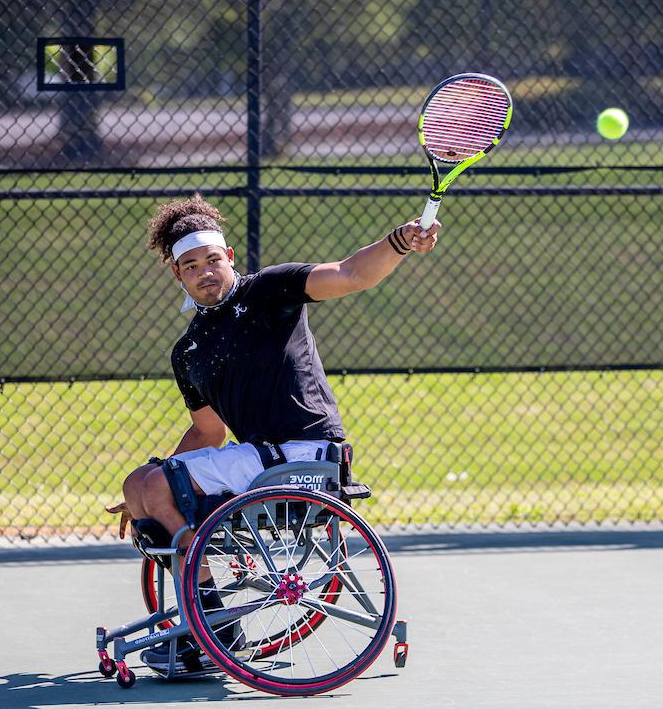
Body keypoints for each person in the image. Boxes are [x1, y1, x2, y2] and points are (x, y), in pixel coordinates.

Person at [106, 194, 439, 671]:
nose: (205, 272)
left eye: (213, 260)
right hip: (258, 460)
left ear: (230, 259)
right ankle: (211, 621)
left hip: (308, 454)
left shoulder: (269, 291)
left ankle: (210, 630)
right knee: (140, 485)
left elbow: (350, 274)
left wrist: (400, 242)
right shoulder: (189, 351)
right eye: (192, 265)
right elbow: (206, 433)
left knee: (158, 488)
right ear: (178, 275)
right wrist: (149, 486)